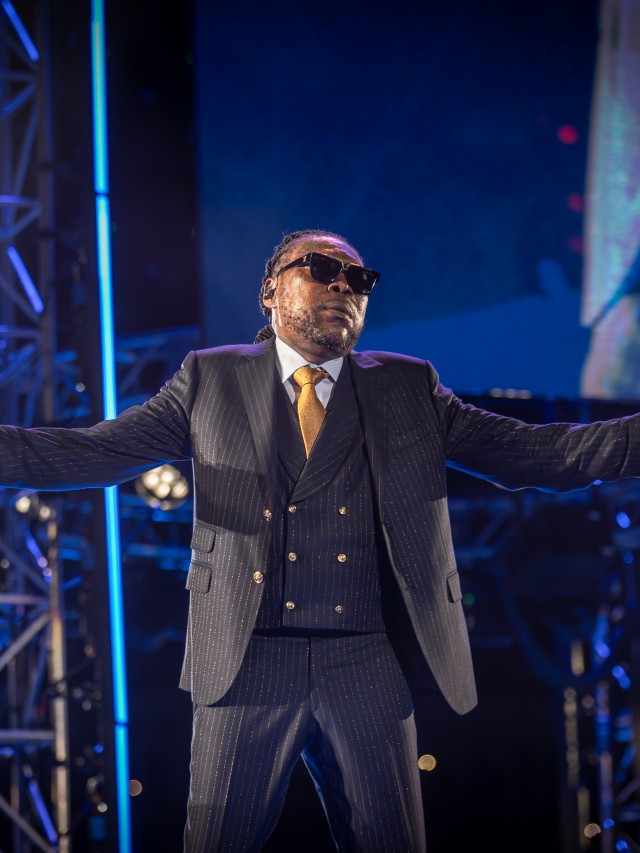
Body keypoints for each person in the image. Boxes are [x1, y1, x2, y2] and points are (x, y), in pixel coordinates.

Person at [2, 228, 640, 852]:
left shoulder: (408, 385)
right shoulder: (209, 378)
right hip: (247, 661)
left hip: (365, 659)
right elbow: (93, 453)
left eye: (358, 279)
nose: (342, 285)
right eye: (322, 269)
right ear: (270, 292)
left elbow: (542, 455)